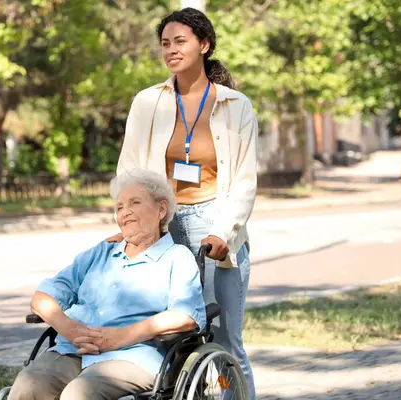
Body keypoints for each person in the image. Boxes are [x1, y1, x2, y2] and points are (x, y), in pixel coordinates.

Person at [115, 7, 258, 399]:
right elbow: (129, 170)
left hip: (216, 219)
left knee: (226, 339)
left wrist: (223, 232)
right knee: (168, 334)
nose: (171, 50)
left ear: (204, 45)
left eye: (180, 41)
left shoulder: (236, 106)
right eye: (165, 43)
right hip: (164, 221)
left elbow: (244, 181)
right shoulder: (147, 103)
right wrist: (130, 223)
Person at [8, 169, 206, 400]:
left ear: (161, 209)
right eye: (119, 207)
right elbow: (41, 299)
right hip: (73, 350)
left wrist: (120, 337)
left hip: (133, 356)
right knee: (27, 386)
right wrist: (71, 330)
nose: (125, 212)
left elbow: (185, 315)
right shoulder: (100, 253)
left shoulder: (177, 257)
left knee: (78, 394)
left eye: (135, 202)